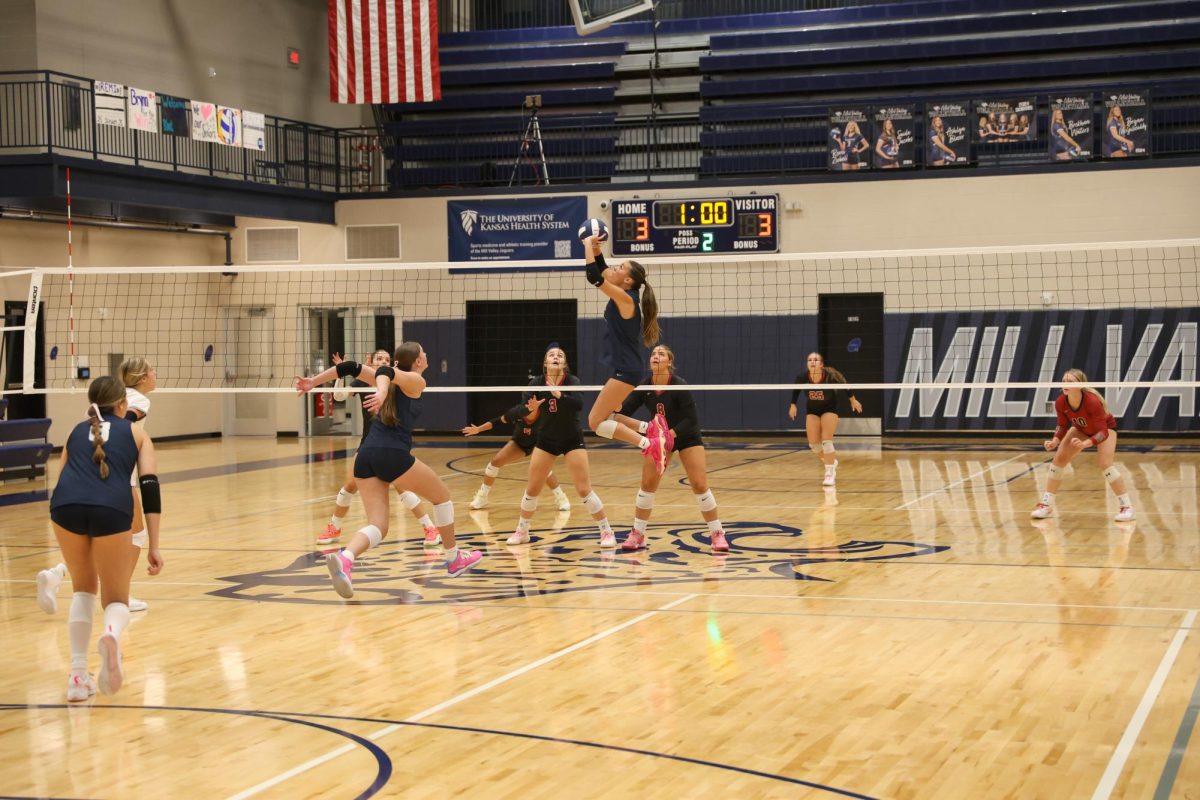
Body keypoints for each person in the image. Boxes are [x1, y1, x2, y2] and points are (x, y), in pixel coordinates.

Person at [294, 342, 483, 596]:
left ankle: (346, 559)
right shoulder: (416, 380)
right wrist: (382, 392)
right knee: (442, 497)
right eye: (424, 353)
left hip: (365, 456)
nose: (427, 355)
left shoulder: (390, 375)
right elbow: (386, 373)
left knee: (379, 526)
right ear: (417, 361)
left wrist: (313, 383)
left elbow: (348, 367)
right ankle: (453, 558)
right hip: (391, 453)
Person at [47, 376, 163, 700]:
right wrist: (153, 545)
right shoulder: (137, 433)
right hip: (111, 509)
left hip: (64, 508)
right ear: (123, 405)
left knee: (83, 591)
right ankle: (111, 634)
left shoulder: (73, 433)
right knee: (115, 600)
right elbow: (150, 491)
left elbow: (62, 478)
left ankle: (77, 677)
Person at [37, 357, 156, 614]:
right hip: (117, 474)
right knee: (134, 533)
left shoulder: (102, 401)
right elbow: (124, 423)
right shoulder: (136, 401)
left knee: (93, 536)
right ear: (143, 377)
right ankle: (121, 590)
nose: (155, 374)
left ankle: (58, 573)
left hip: (87, 474)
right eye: (152, 370)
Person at [611, 344, 729, 553]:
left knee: (700, 484)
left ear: (669, 362)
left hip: (685, 436)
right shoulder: (645, 386)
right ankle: (638, 533)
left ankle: (717, 533)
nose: (656, 356)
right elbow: (624, 410)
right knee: (647, 484)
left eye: (661, 354)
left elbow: (691, 420)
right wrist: (616, 407)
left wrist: (669, 435)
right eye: (654, 354)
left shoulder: (678, 385)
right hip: (658, 438)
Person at [318, 349, 442, 548]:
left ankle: (429, 527)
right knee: (349, 485)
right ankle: (334, 526)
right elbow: (340, 396)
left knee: (403, 487)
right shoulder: (363, 380)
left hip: (391, 445)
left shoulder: (396, 380)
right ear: (371, 361)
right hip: (368, 443)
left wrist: (382, 388)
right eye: (379, 358)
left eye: (386, 359)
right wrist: (340, 374)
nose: (383, 361)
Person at [509, 344, 618, 547]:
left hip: (571, 438)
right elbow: (525, 411)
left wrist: (561, 395)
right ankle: (522, 531)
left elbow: (579, 405)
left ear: (564, 363)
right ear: (545, 363)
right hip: (546, 438)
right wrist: (529, 409)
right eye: (551, 355)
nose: (556, 357)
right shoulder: (537, 383)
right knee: (532, 488)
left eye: (560, 355)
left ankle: (606, 531)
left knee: (583, 489)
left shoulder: (572, 381)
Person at [581, 234, 671, 474]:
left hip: (627, 370)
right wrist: (597, 251)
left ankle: (651, 444)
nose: (615, 267)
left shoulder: (626, 299)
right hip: (626, 368)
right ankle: (652, 428)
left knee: (595, 422)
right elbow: (601, 272)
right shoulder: (624, 294)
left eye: (620, 267)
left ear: (628, 280)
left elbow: (594, 277)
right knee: (611, 417)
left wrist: (587, 245)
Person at [462, 364, 572, 514]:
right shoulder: (517, 412)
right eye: (529, 402)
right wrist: (478, 429)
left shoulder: (546, 416)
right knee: (494, 463)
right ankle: (483, 497)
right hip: (519, 443)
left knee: (543, 470)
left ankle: (561, 498)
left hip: (538, 444)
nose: (531, 404)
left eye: (534, 402)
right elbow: (497, 421)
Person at [1031, 369, 1134, 522]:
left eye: (1070, 381)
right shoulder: (1061, 401)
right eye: (1064, 381)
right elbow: (1061, 425)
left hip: (1106, 429)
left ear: (1081, 385)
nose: (1065, 384)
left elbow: (1102, 432)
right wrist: (1055, 441)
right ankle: (1046, 505)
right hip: (1081, 429)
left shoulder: (1092, 401)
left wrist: (1086, 443)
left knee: (1105, 464)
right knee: (1058, 461)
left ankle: (1127, 507)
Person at [787, 352, 863, 486]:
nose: (812, 362)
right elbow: (796, 389)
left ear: (821, 364)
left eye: (815, 360)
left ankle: (829, 473)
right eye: (809, 360)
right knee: (814, 445)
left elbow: (844, 384)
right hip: (813, 410)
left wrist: (853, 400)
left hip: (829, 409)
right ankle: (831, 461)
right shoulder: (803, 377)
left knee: (826, 441)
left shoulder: (830, 376)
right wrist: (793, 404)